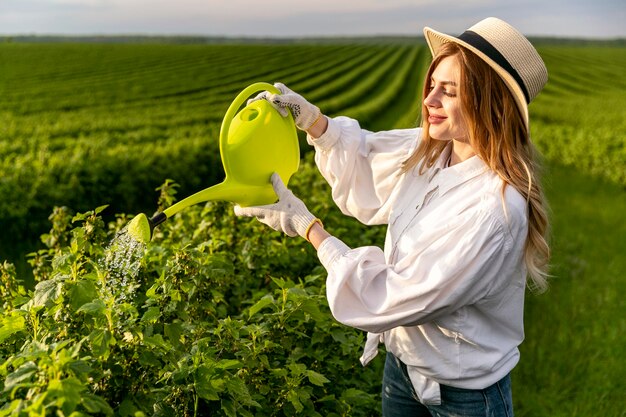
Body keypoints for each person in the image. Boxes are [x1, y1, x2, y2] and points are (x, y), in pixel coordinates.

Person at [235, 17, 550, 417]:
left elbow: (397, 294)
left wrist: (306, 226)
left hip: (465, 396)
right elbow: (369, 161)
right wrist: (312, 121)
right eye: (431, 86)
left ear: (490, 104)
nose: (429, 101)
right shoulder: (435, 152)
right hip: (402, 370)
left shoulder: (494, 210)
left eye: (448, 92)